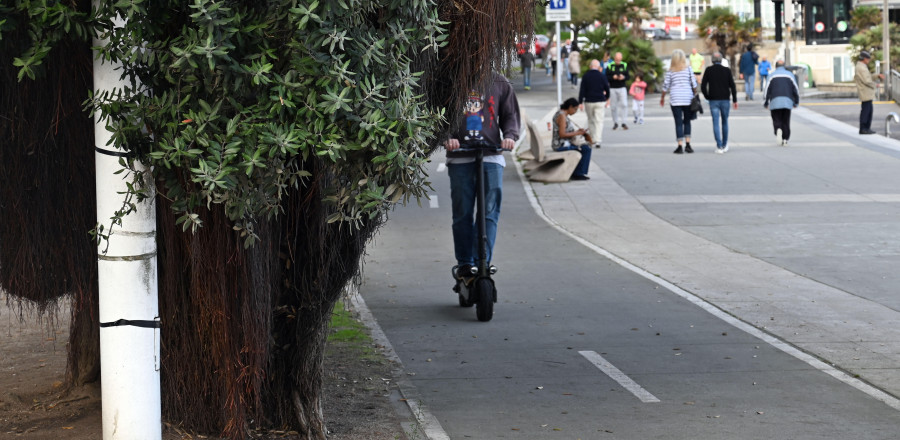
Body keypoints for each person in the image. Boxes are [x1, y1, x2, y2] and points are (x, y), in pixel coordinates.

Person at [444, 73, 519, 278]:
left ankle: (482, 261)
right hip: (460, 157)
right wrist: (447, 137)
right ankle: (465, 264)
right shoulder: (450, 79)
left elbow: (510, 115)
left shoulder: (499, 82)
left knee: (489, 212)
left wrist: (510, 136)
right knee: (462, 213)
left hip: (492, 155)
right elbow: (438, 115)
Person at [660, 49, 698, 154]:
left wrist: (662, 97)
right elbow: (694, 84)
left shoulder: (670, 71)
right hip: (687, 98)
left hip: (675, 99)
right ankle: (688, 144)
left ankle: (680, 146)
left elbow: (665, 86)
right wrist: (695, 94)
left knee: (678, 122)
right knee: (687, 121)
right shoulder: (689, 69)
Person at [701, 51, 738, 153]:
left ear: (712, 60)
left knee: (715, 122)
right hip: (725, 99)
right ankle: (725, 144)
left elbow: (703, 86)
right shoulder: (727, 70)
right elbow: (732, 86)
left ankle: (719, 145)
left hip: (713, 100)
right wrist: (735, 99)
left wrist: (707, 96)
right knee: (725, 121)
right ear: (721, 60)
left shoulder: (708, 70)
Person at [551, 98, 593, 181]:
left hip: (561, 143)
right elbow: (562, 134)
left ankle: (577, 172)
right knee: (585, 149)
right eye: (575, 109)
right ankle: (578, 173)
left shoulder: (562, 114)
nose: (575, 111)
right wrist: (577, 133)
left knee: (585, 147)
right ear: (570, 107)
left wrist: (578, 132)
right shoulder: (562, 116)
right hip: (560, 145)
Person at [764, 60, 800, 146]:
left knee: (776, 119)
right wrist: (796, 102)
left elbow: (766, 90)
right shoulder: (790, 75)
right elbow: (795, 89)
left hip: (775, 102)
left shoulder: (771, 75)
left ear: (776, 66)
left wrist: (765, 102)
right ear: (784, 66)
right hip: (787, 102)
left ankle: (778, 129)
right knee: (786, 121)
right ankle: (785, 139)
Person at [578, 59, 610, 149]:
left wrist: (580, 102)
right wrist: (607, 97)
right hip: (599, 101)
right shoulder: (602, 76)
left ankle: (592, 139)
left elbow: (582, 90)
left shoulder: (586, 76)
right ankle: (598, 140)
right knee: (599, 121)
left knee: (591, 120)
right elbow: (607, 88)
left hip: (589, 101)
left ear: (590, 66)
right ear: (599, 67)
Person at [855, 50, 883, 135]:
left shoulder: (862, 66)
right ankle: (863, 128)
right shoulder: (861, 67)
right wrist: (875, 85)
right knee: (866, 111)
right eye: (868, 58)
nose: (869, 60)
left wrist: (876, 76)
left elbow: (868, 77)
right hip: (865, 92)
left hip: (867, 92)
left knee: (869, 110)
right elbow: (867, 81)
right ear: (864, 58)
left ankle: (866, 128)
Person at [607, 52, 629, 130]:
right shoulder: (610, 65)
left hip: (622, 87)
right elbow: (606, 76)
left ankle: (624, 122)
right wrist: (613, 77)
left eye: (619, 60)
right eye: (616, 60)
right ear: (614, 59)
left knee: (624, 104)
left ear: (621, 59)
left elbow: (628, 76)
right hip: (613, 87)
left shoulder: (625, 65)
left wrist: (623, 77)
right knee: (613, 106)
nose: (618, 62)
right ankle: (615, 122)